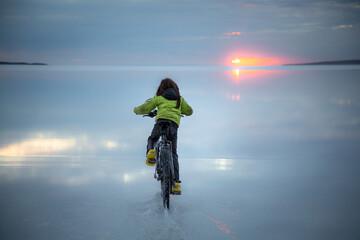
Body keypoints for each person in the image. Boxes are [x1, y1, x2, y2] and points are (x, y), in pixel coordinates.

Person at [133, 78, 193, 194]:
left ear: (161, 88)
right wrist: (182, 112)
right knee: (173, 153)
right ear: (175, 88)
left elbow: (145, 108)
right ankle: (176, 183)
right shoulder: (179, 100)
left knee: (153, 138)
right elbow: (190, 111)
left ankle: (151, 151)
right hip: (173, 126)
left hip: (160, 123)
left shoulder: (159, 98)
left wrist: (136, 110)